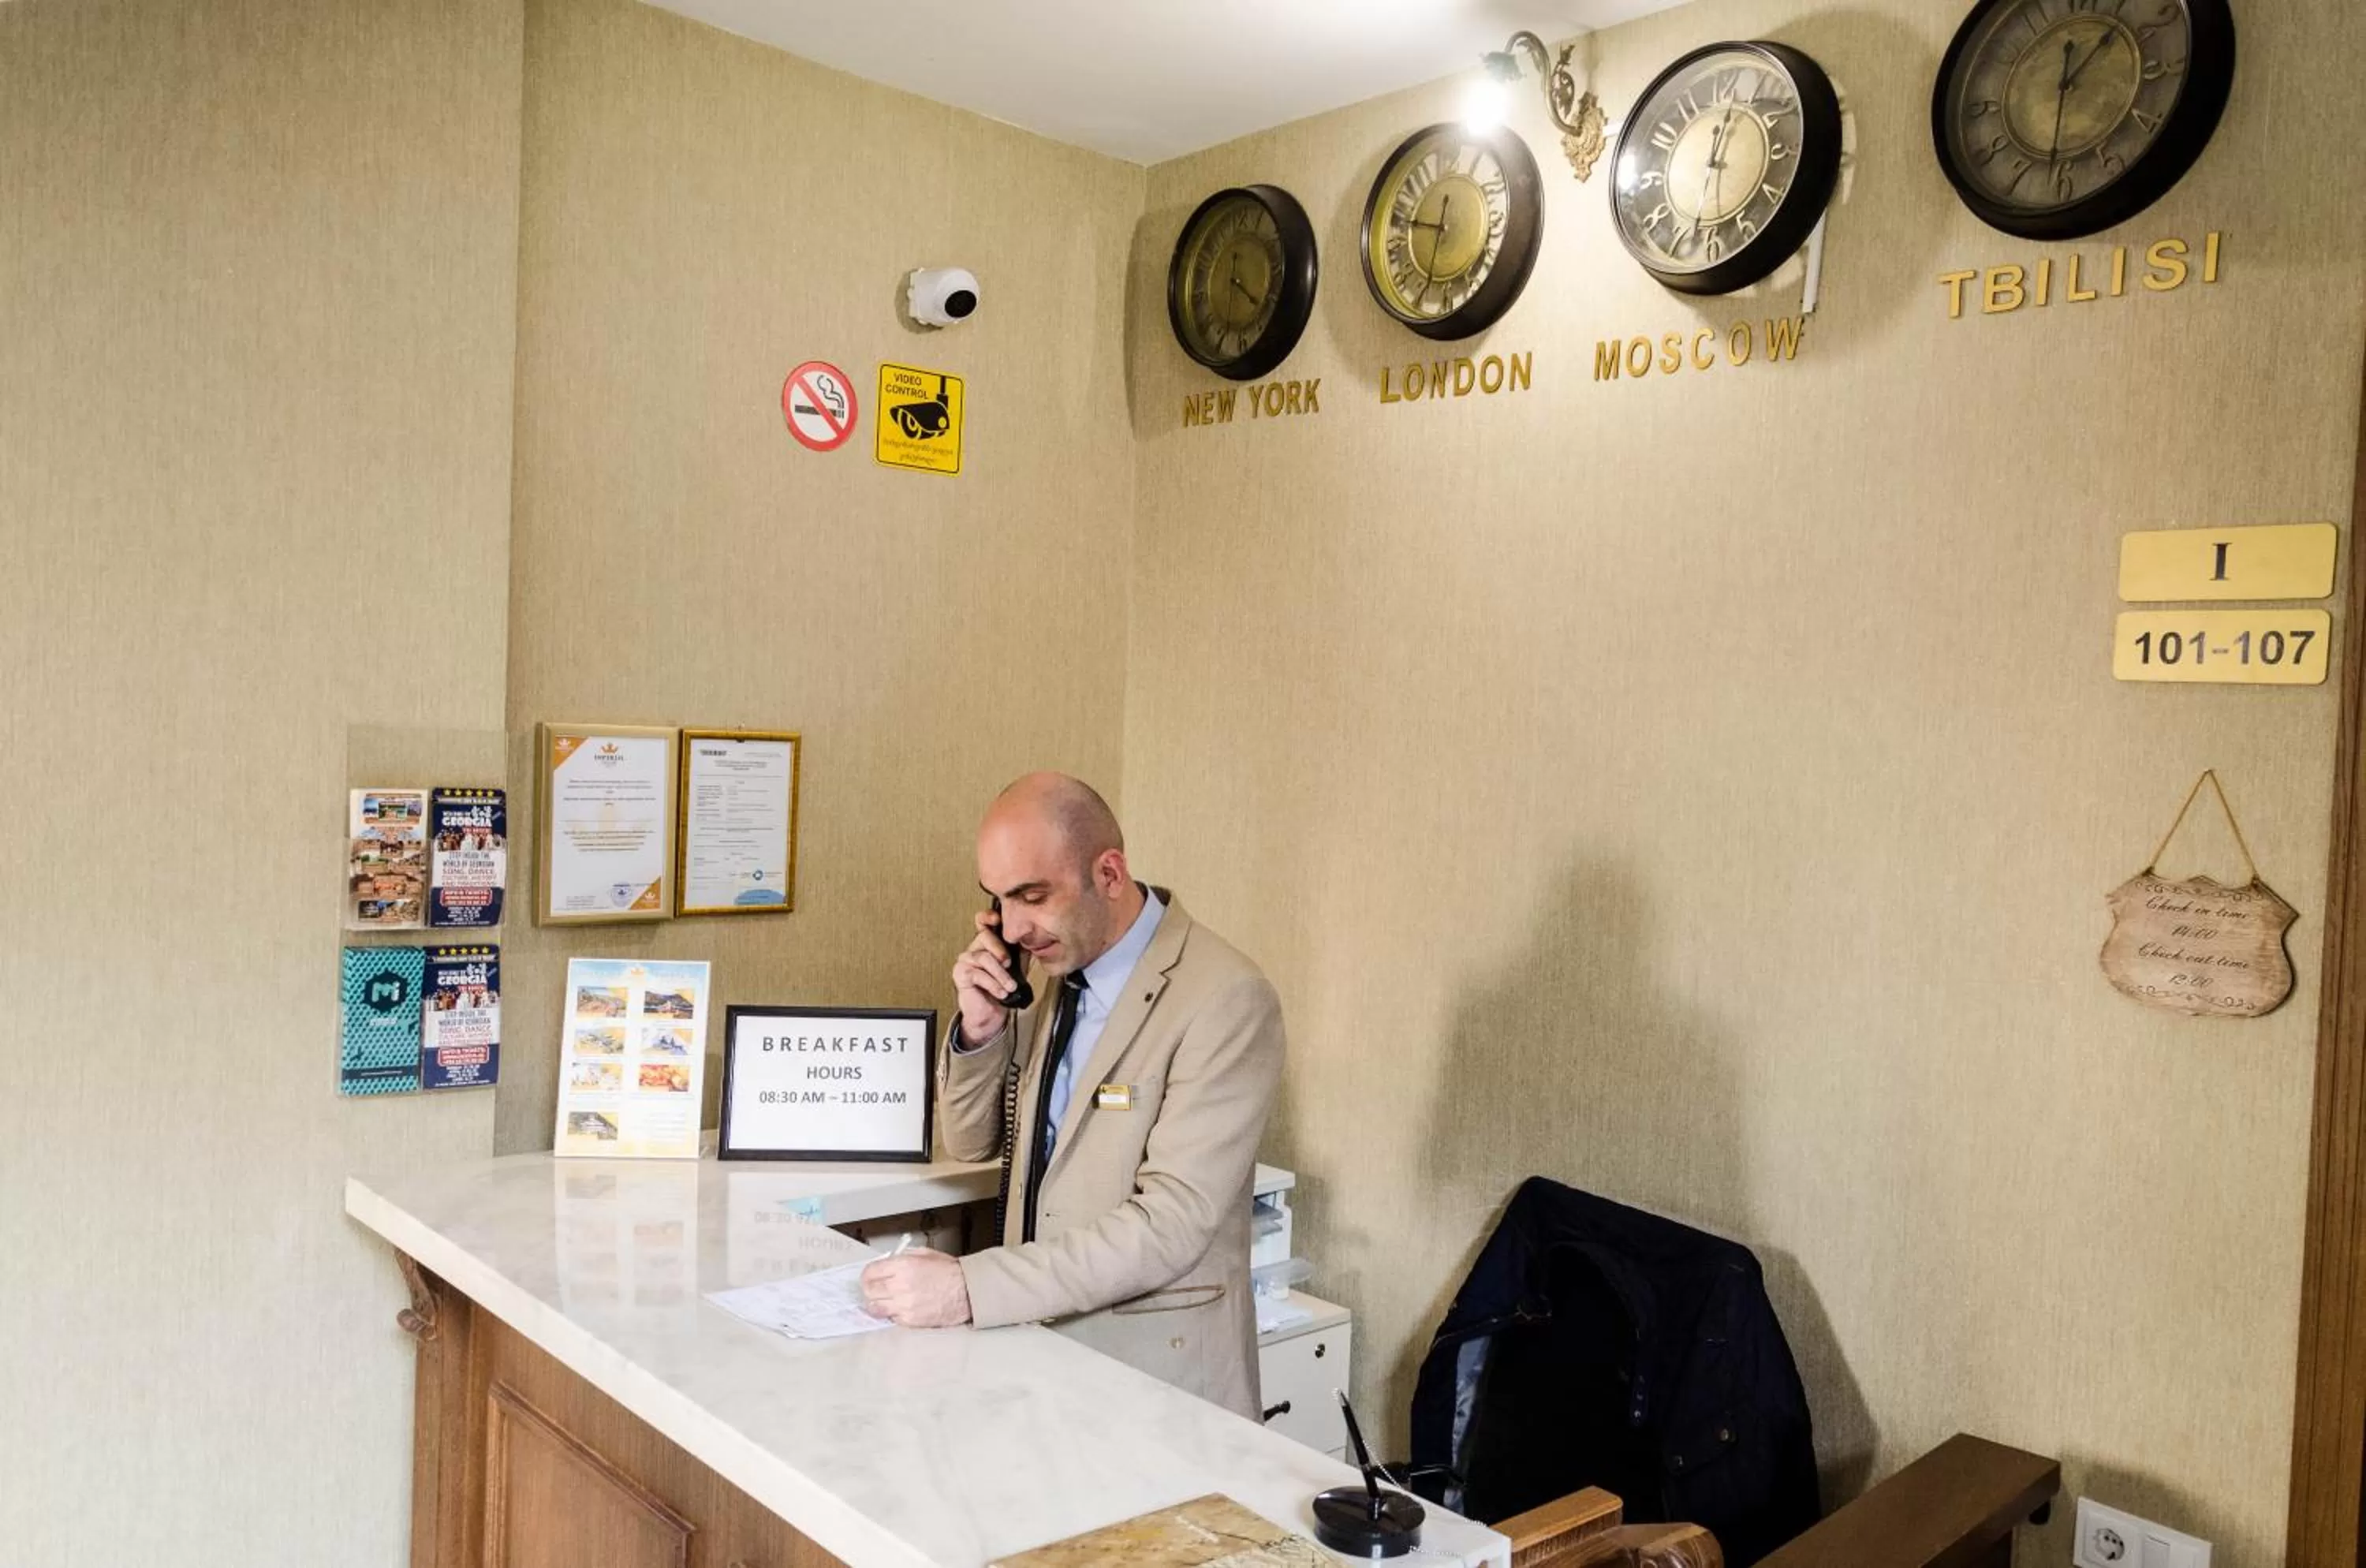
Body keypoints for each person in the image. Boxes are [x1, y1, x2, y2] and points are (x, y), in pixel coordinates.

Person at [860, 772, 1286, 1418]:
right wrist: (982, 1027)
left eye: (1033, 895)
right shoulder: (1061, 971)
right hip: (1040, 1360)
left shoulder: (1225, 998)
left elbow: (1167, 1226)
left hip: (1155, 1382)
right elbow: (974, 1141)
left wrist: (972, 1288)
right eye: (999, 901)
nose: (1014, 926)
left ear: (1109, 874)